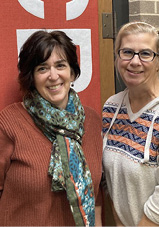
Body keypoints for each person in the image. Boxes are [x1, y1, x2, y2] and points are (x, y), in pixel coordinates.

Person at [0, 30, 103, 226]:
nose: (53, 76)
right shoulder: (9, 122)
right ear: (32, 76)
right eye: (42, 68)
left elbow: (95, 197)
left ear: (72, 72)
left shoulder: (91, 120)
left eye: (60, 65)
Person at [102, 21, 159, 226]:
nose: (135, 61)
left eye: (146, 54)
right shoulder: (112, 107)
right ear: (117, 57)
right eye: (127, 52)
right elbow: (113, 183)